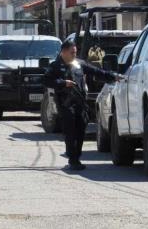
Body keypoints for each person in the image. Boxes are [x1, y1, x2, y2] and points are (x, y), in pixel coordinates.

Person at [44, 40, 121, 171]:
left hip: (80, 102)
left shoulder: (79, 64)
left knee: (80, 131)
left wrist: (113, 76)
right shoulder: (55, 66)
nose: (74, 54)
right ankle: (72, 159)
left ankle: (77, 157)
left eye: (75, 52)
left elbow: (96, 71)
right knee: (70, 132)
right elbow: (46, 80)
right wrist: (62, 82)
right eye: (72, 52)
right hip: (65, 103)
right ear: (63, 52)